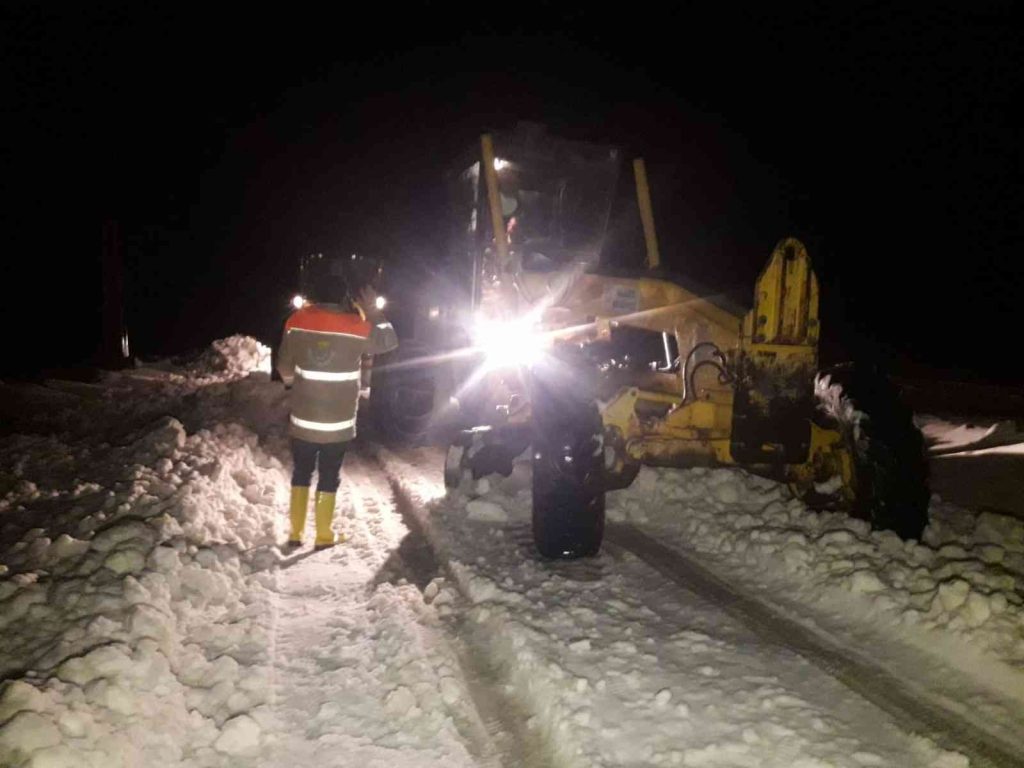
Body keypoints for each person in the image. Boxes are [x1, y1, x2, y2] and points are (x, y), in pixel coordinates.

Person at [276, 270, 398, 549]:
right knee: (329, 475)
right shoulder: (356, 324)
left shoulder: (296, 321)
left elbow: (284, 369)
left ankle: (295, 533)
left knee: (301, 472)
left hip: (303, 419)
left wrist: (298, 382)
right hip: (338, 423)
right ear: (344, 296)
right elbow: (390, 342)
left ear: (314, 295)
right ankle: (322, 534)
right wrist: (373, 313)